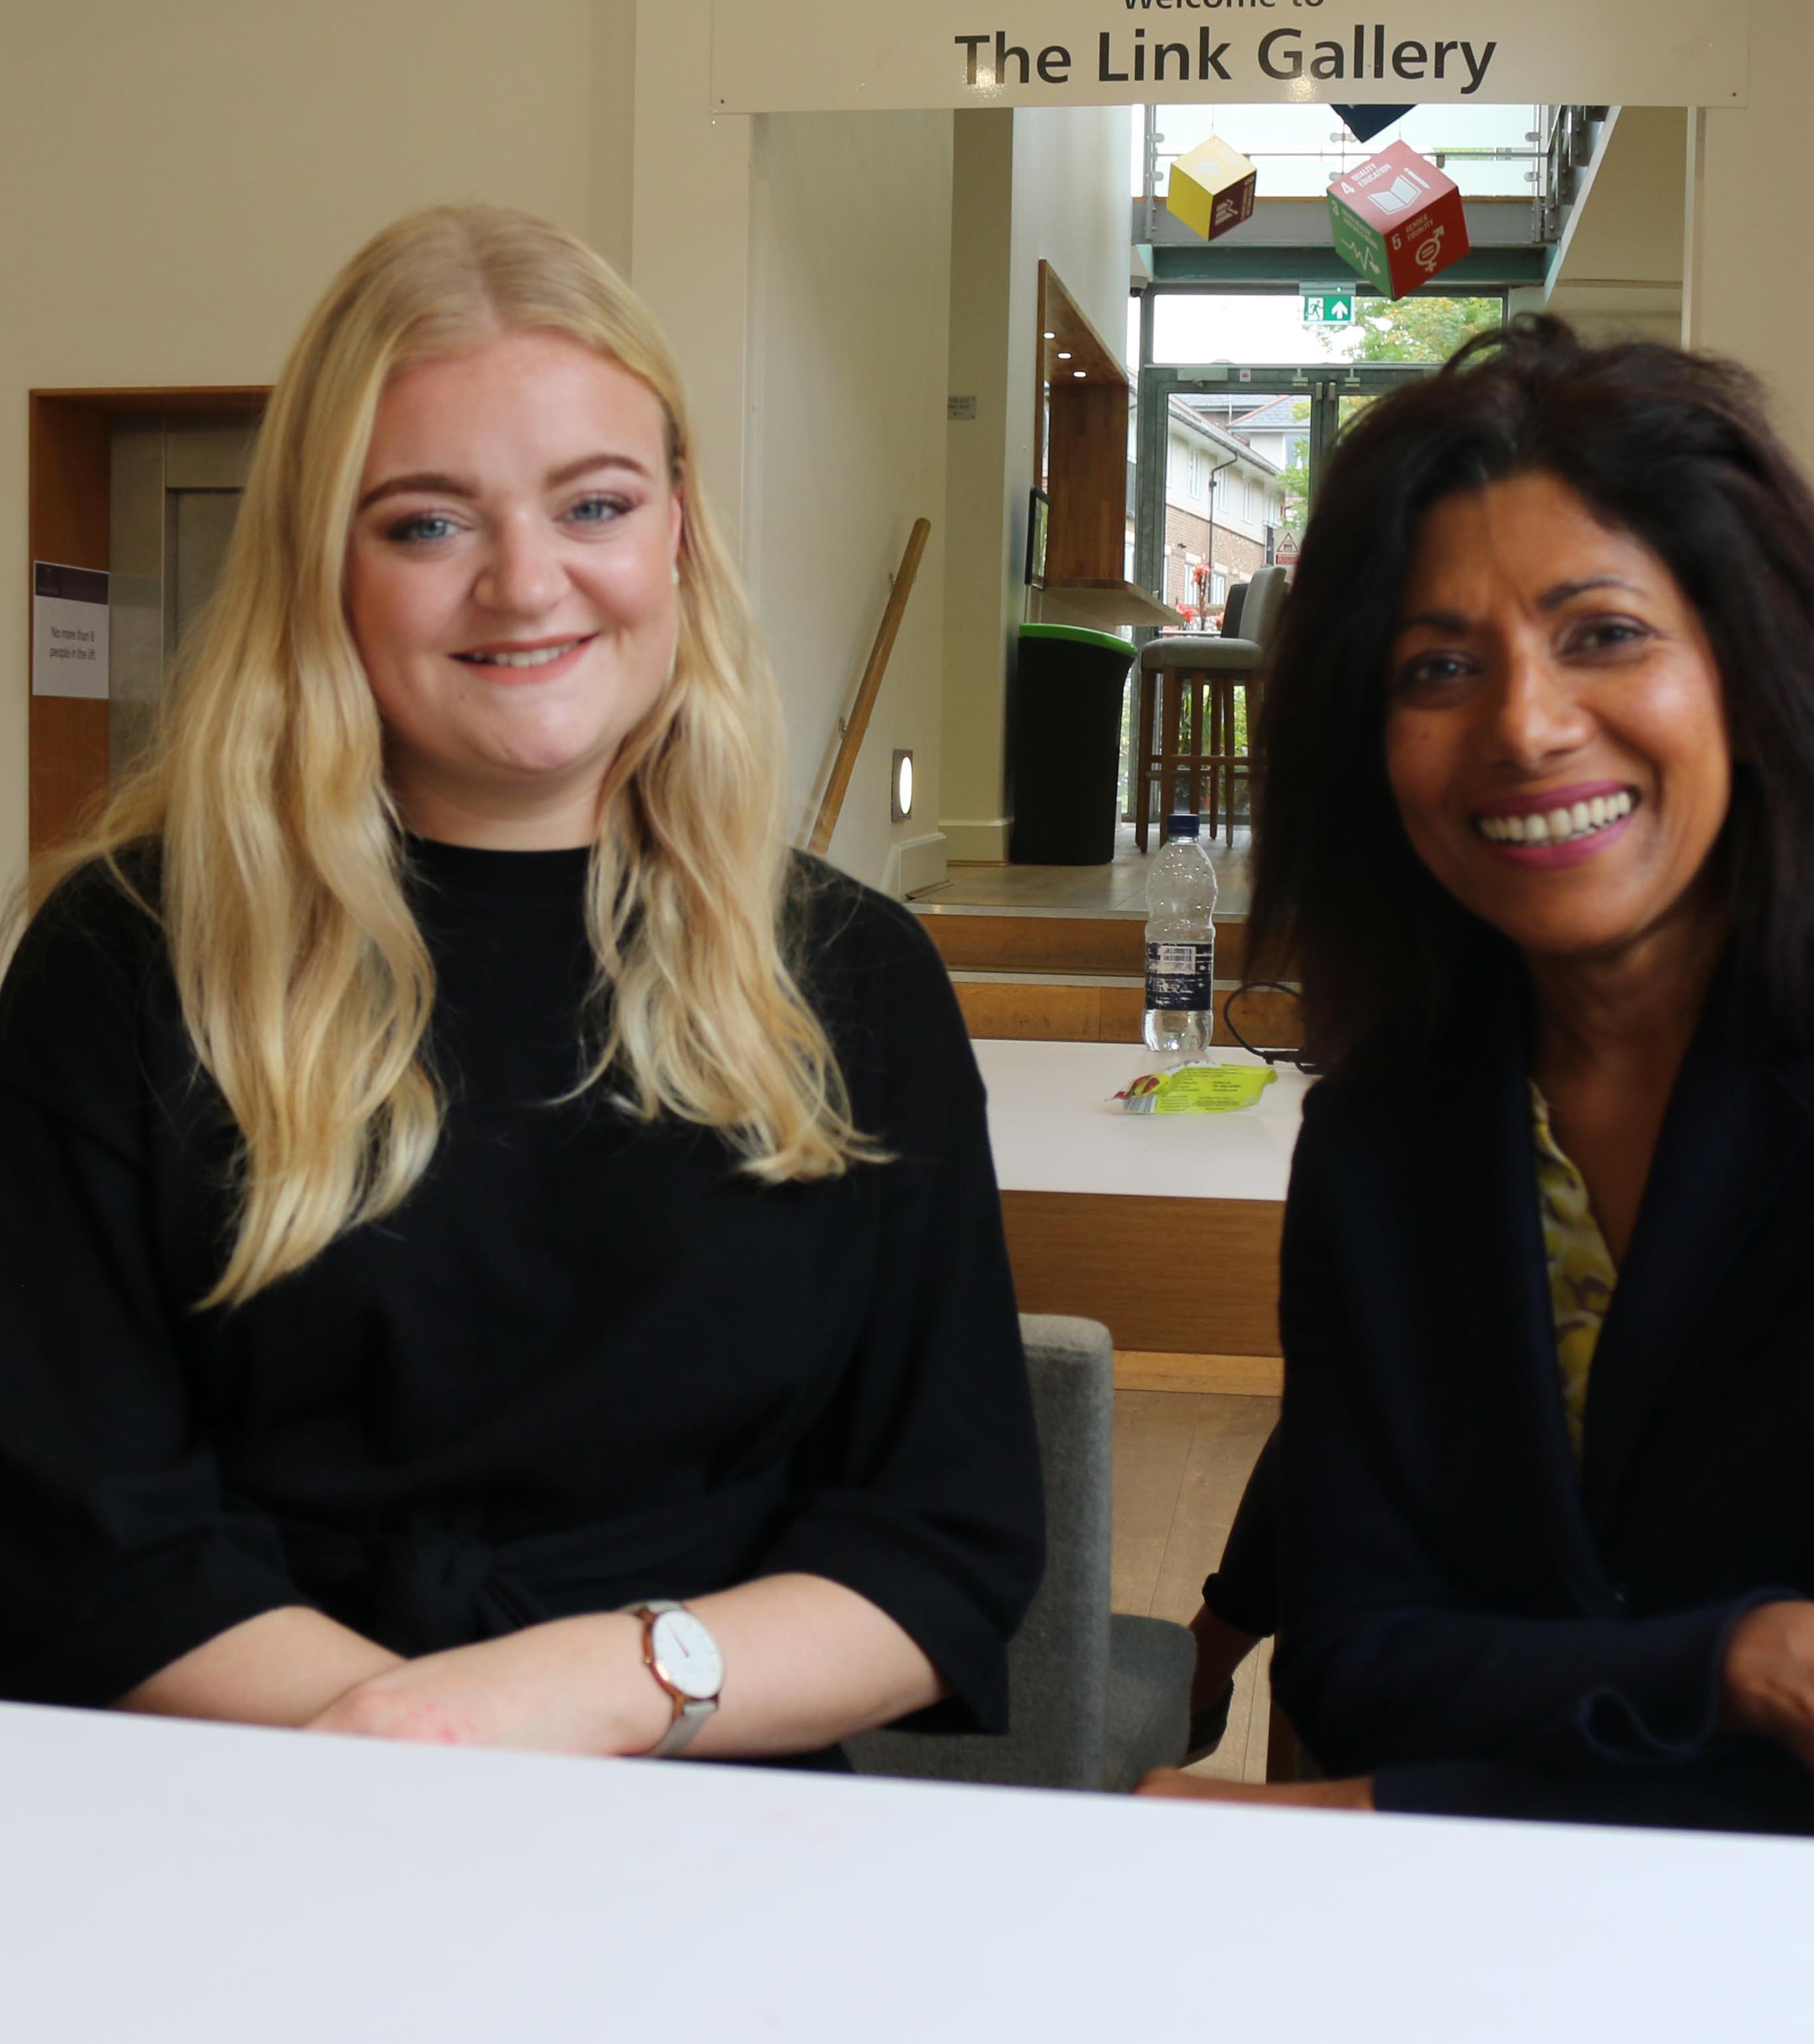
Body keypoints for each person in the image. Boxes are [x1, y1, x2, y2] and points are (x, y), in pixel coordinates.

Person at [0, 205, 1043, 1768]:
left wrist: (597, 1698)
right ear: (320, 565)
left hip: (714, 1806)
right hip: (230, 1796)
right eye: (426, 523)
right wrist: (421, 1752)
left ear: (678, 526)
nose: (525, 584)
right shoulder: (123, 957)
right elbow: (84, 1534)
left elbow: (942, 1541)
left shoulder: (853, 978)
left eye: (595, 506)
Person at [1141, 317, 1814, 1844]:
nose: (1526, 725)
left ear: (1749, 668)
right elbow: (1366, 1652)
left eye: (1604, 634)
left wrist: (1397, 1808)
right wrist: (1754, 1661)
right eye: (1439, 667)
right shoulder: (1383, 1125)